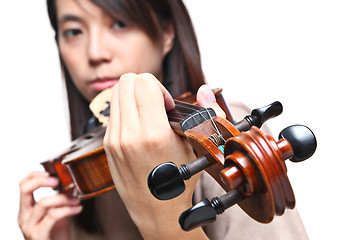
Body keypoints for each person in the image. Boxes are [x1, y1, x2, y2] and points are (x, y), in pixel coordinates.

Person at [17, 0, 309, 239]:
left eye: (119, 23)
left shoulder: (219, 130)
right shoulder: (81, 175)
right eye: (73, 31)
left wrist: (166, 218)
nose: (95, 53)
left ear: (167, 33)